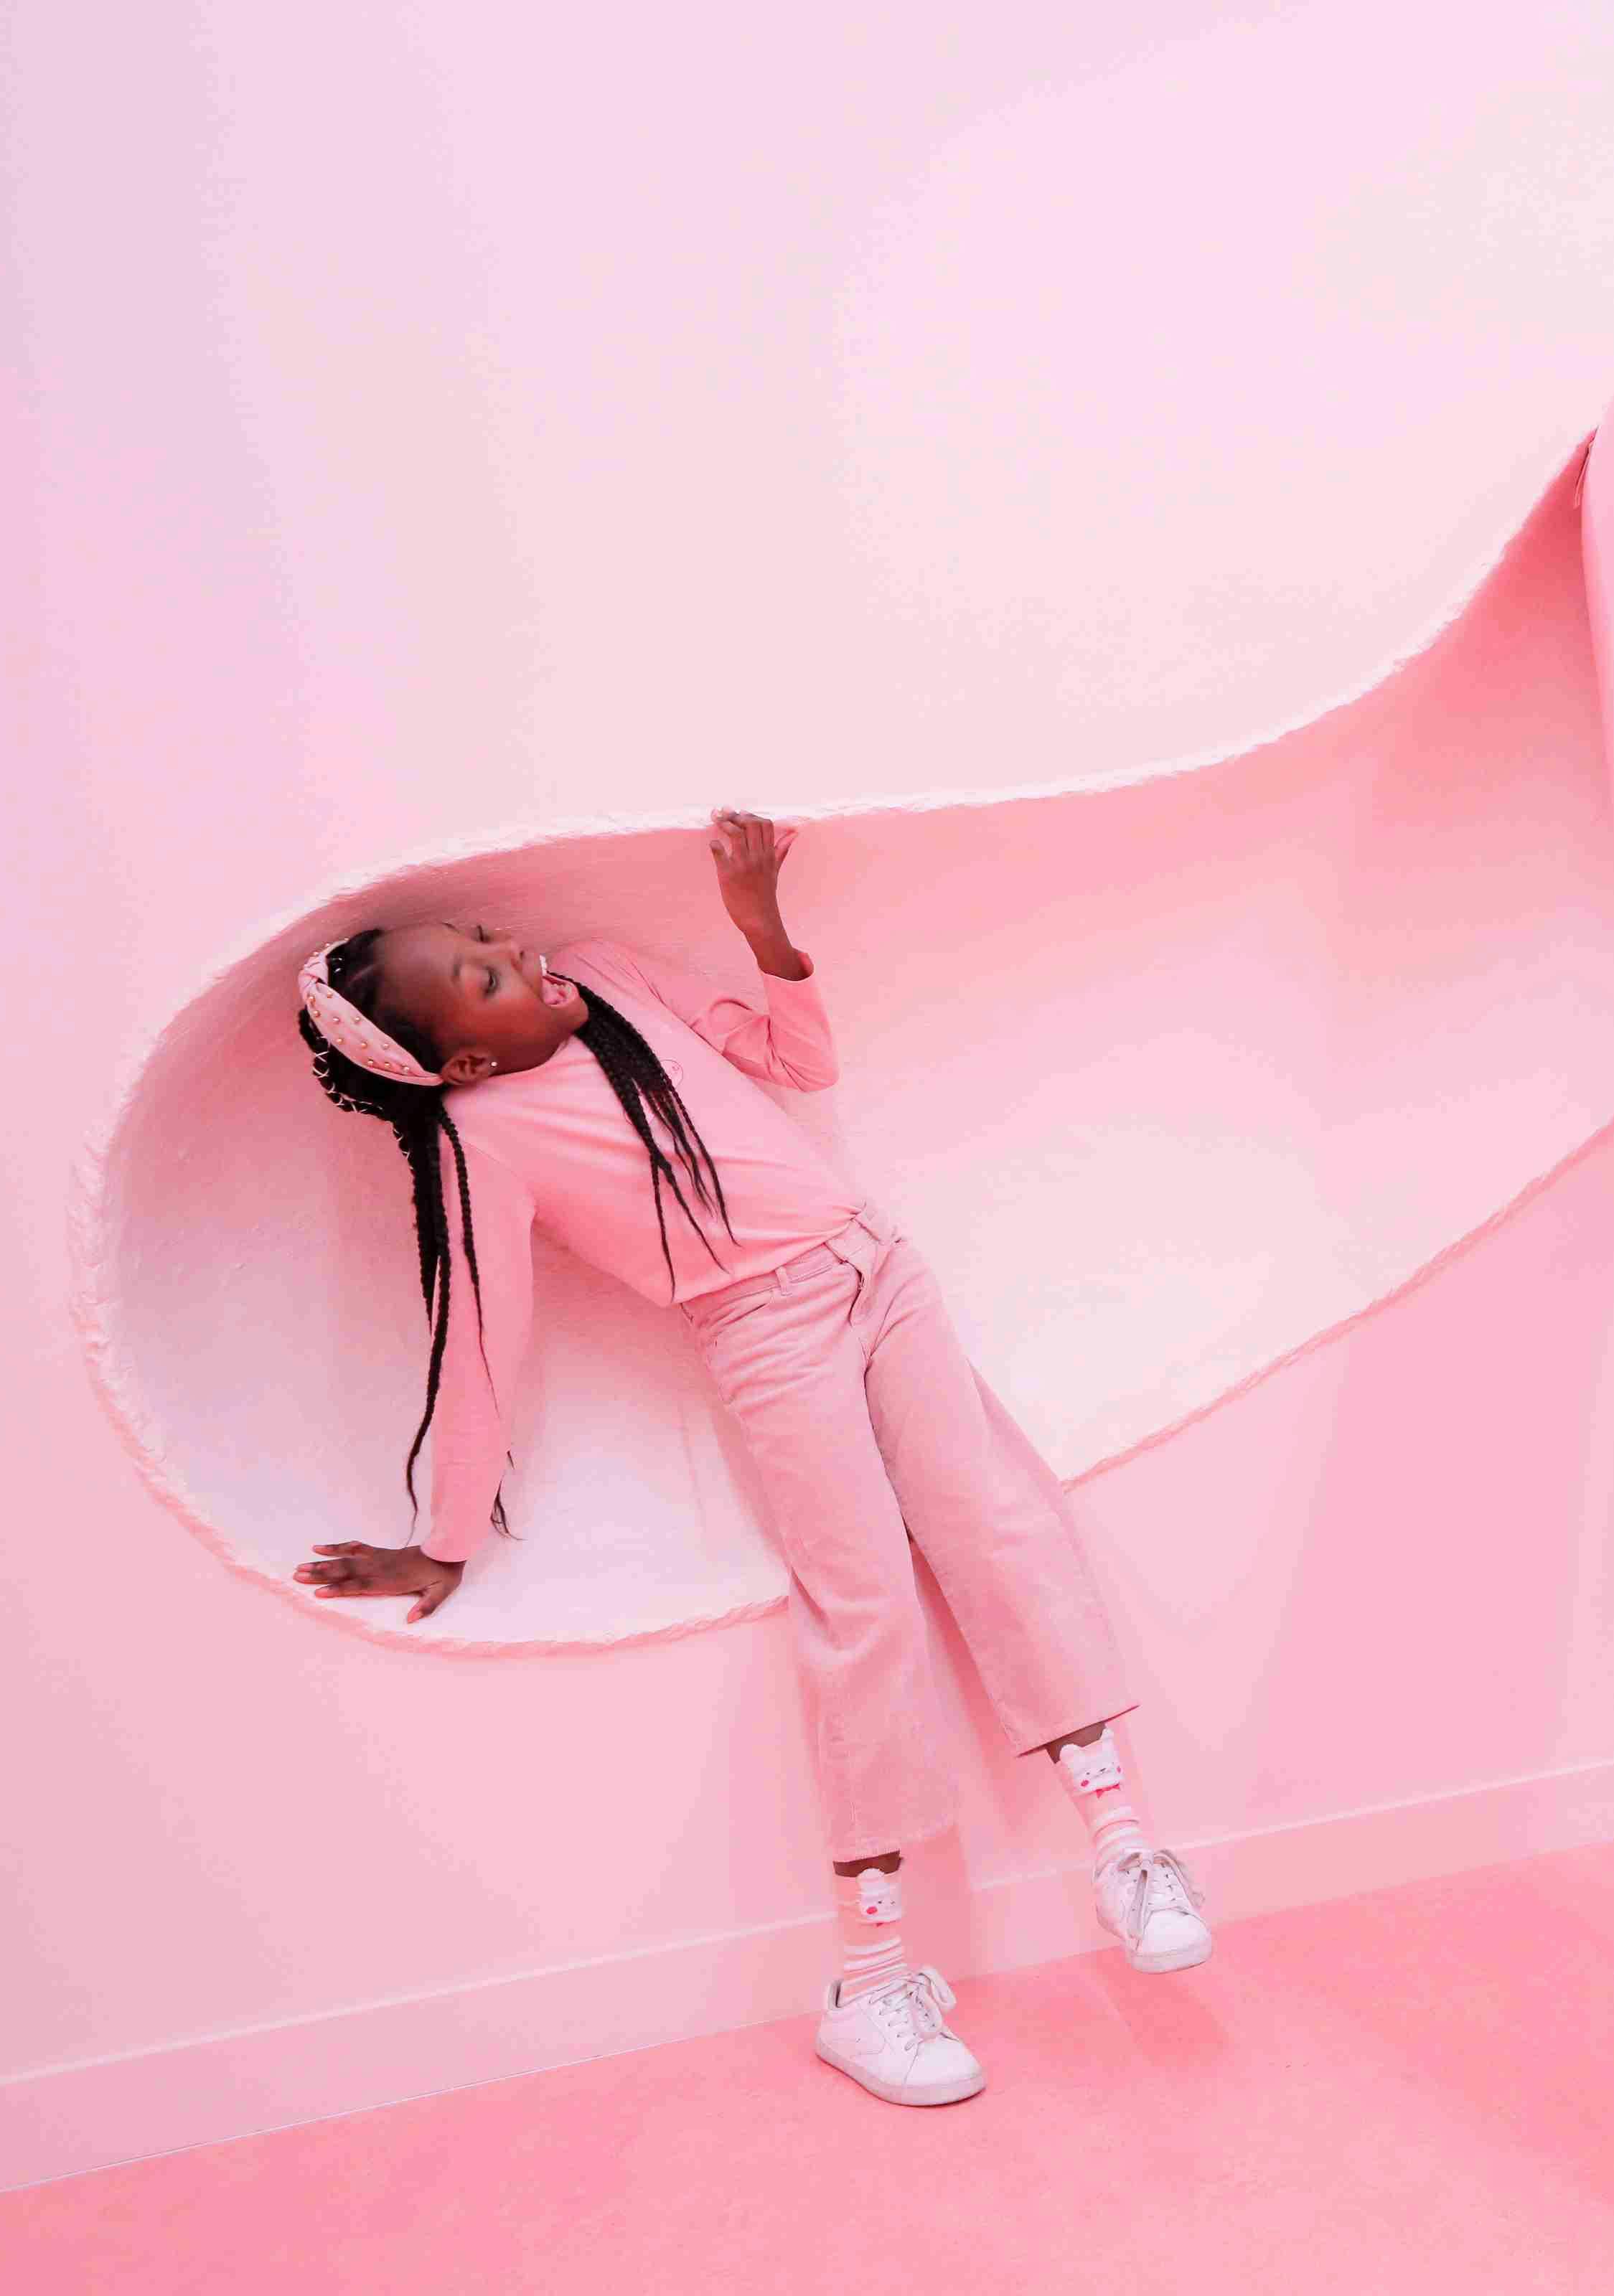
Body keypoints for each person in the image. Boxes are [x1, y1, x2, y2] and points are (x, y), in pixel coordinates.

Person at [291, 809, 1208, 2102]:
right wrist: (443, 1537)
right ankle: (871, 1982)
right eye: (486, 976)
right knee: (864, 1609)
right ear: (463, 1062)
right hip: (761, 1327)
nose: (513, 946)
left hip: (877, 1266)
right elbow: (484, 1343)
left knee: (994, 1524)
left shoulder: (610, 973)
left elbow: (797, 1058)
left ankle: (1127, 1846)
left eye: (487, 932)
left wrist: (761, 928)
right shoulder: (482, 1143)